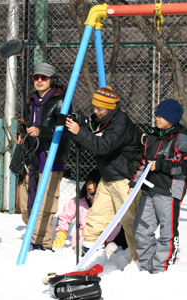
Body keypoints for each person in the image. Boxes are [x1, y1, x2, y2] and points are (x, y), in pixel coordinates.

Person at [65, 86, 141, 261]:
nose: (96, 111)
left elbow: (103, 146)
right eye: (94, 107)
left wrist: (80, 132)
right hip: (108, 177)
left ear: (111, 107)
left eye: (100, 108)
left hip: (124, 179)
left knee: (129, 221)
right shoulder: (101, 120)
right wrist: (78, 128)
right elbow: (91, 140)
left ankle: (138, 259)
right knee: (97, 215)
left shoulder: (120, 122)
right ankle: (88, 252)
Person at [131, 99, 187, 273]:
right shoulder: (152, 138)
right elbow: (144, 162)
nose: (156, 118)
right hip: (148, 191)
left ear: (172, 118)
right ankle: (146, 266)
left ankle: (162, 268)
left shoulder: (183, 140)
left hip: (169, 192)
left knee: (167, 233)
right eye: (156, 115)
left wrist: (160, 165)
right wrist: (134, 182)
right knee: (140, 231)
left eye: (160, 116)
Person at [18, 62, 72, 251]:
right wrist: (22, 131)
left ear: (51, 79)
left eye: (44, 77)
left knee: (45, 202)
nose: (39, 81)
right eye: (36, 77)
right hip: (31, 156)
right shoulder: (31, 99)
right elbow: (27, 122)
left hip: (50, 156)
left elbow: (66, 130)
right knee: (26, 202)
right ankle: (35, 233)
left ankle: (42, 241)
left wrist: (42, 131)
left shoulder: (61, 101)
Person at [52, 168, 126, 252]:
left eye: (93, 182)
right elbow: (65, 217)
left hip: (105, 242)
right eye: (88, 182)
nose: (89, 186)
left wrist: (107, 239)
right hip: (81, 241)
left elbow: (118, 223)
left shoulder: (109, 201)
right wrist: (61, 234)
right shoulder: (79, 201)